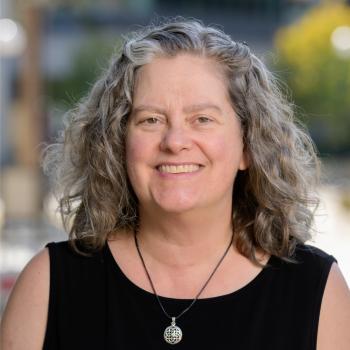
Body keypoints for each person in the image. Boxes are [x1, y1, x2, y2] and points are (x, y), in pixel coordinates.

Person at [1, 16, 350, 350]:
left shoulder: (316, 290)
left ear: (248, 146)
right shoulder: (48, 284)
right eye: (151, 119)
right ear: (118, 143)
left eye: (202, 119)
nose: (175, 140)